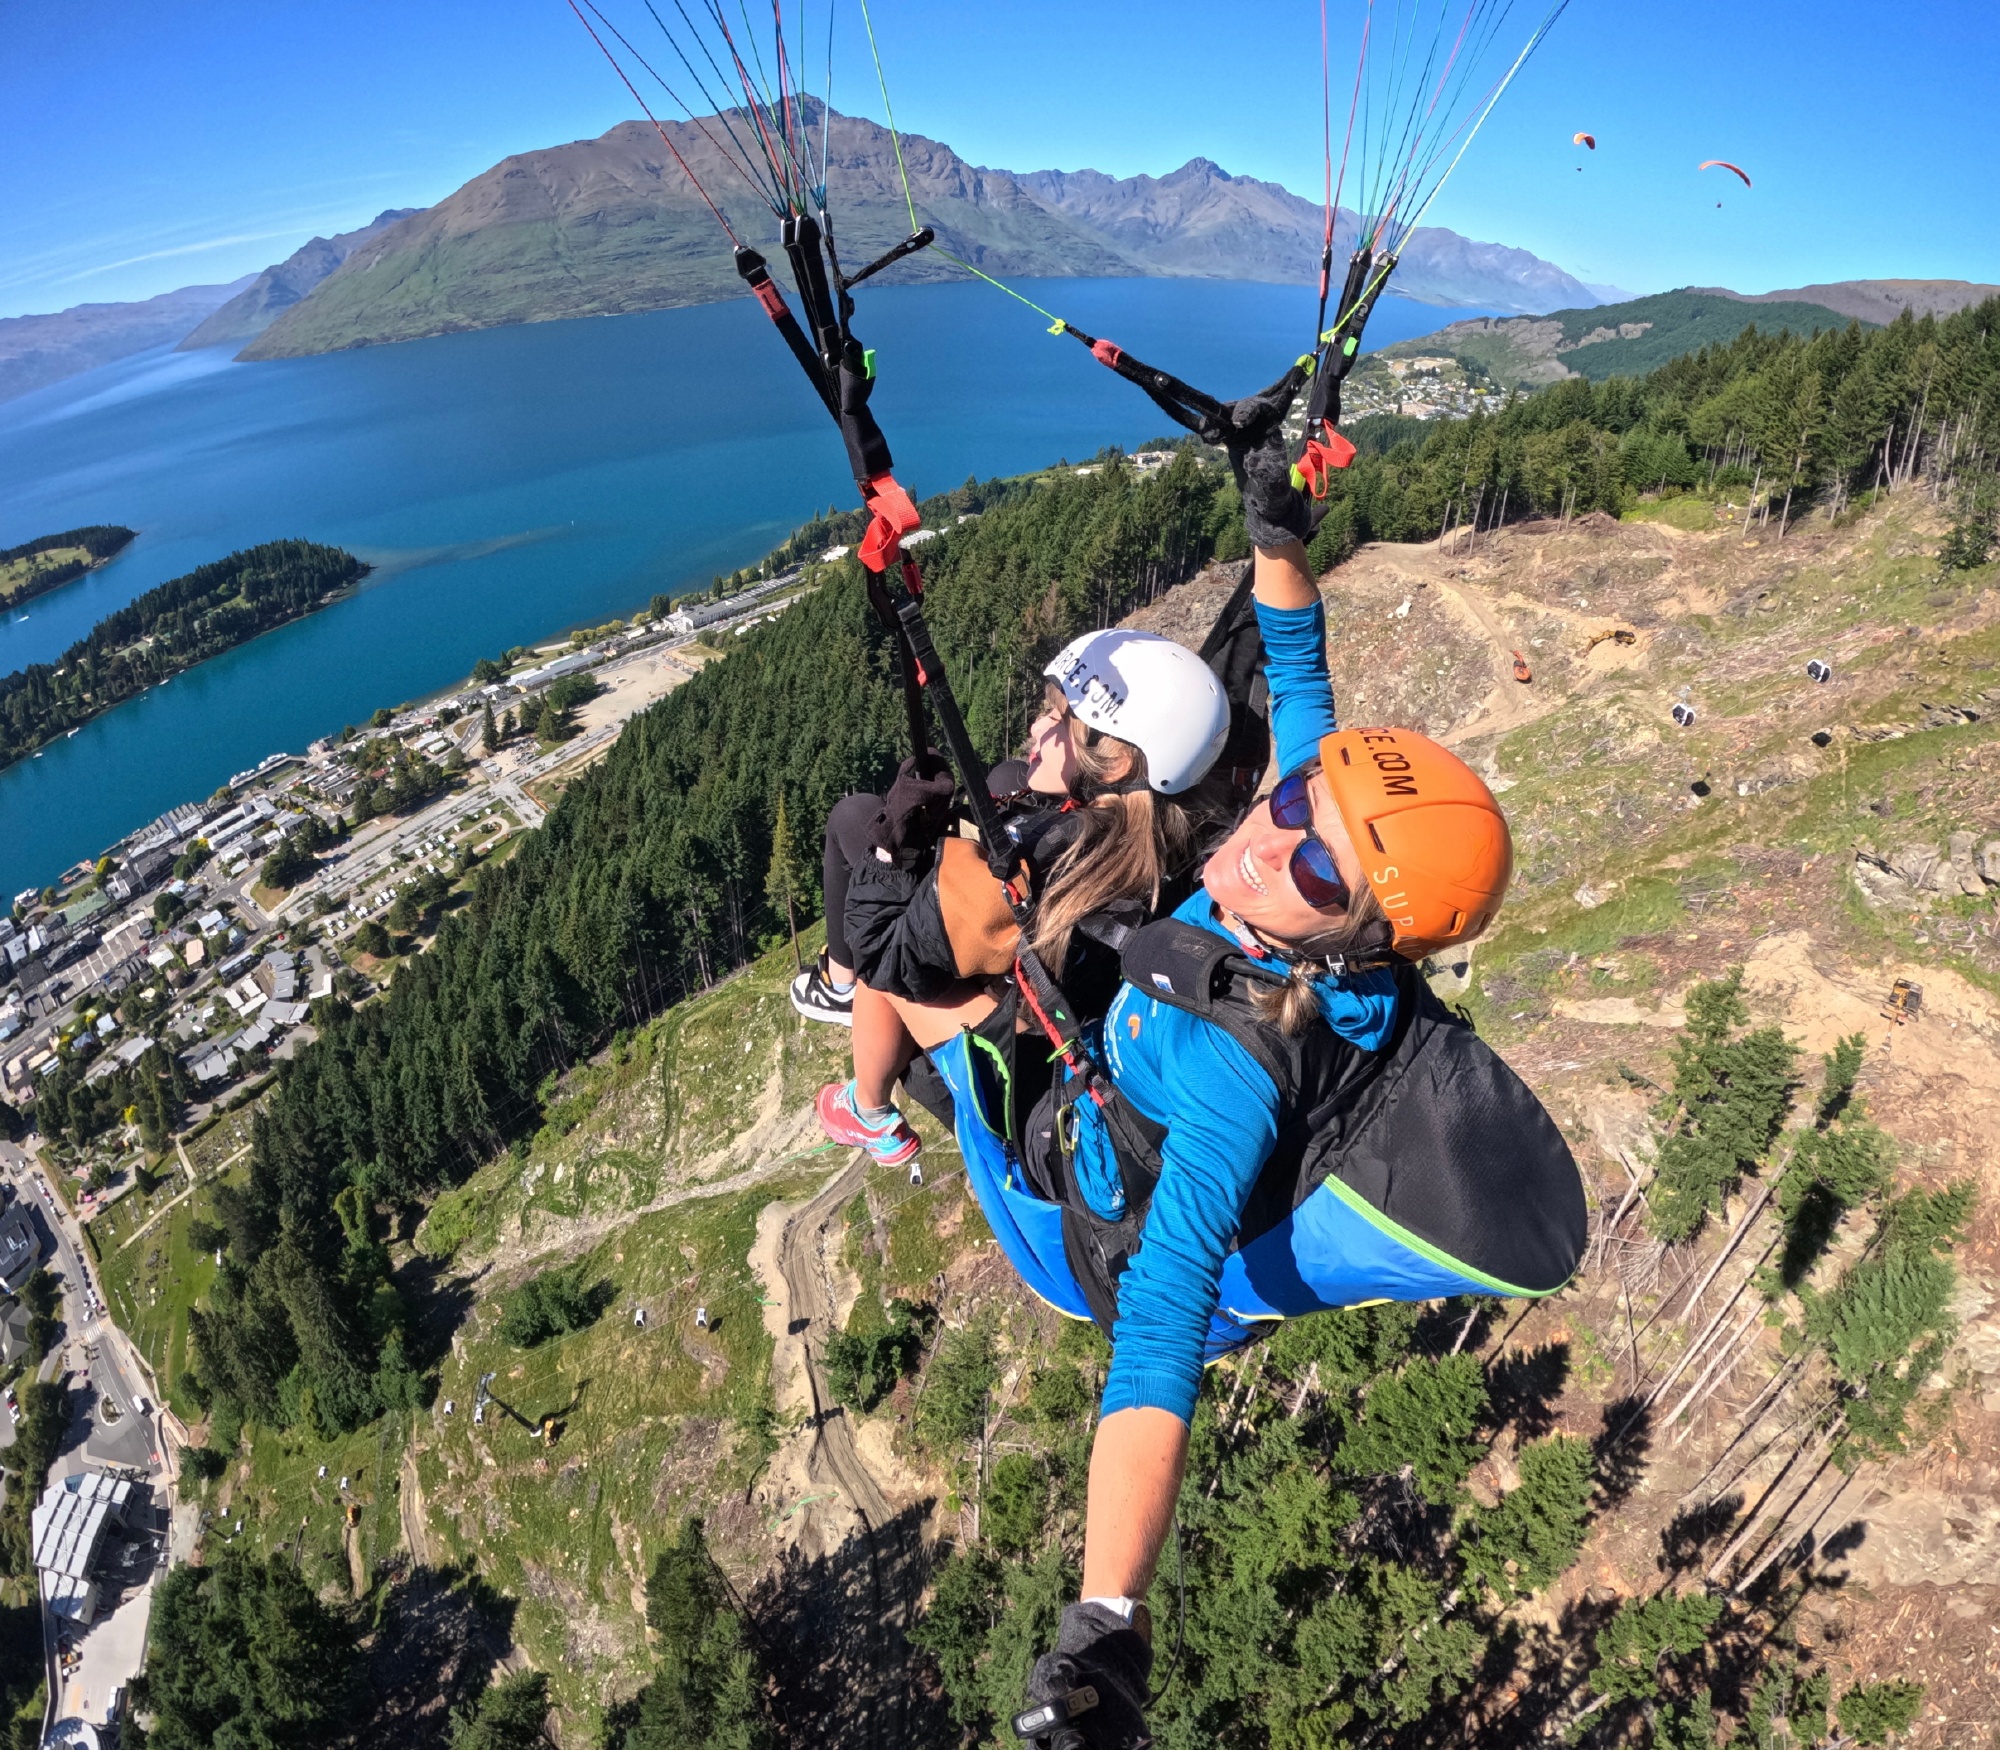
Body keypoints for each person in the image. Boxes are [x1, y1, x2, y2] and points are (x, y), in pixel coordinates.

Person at [857, 389, 1584, 1749]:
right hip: (1118, 1103)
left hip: (1065, 1222)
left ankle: (873, 1101)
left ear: (1365, 940)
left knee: (920, 989)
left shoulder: (1240, 1067)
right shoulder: (1302, 862)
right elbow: (1298, 669)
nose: (1265, 837)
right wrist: (1275, 527)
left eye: (1312, 861)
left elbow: (1160, 1320)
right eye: (1296, 801)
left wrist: (1108, 1621)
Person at [803, 627, 1237, 1169]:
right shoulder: (1175, 827)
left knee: (872, 923)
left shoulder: (1043, 862)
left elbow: (884, 953)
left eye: (1057, 720)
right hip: (1078, 1013)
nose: (1037, 727)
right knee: (1005, 776)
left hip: (1024, 1078)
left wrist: (898, 841)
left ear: (1119, 762)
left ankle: (867, 1111)